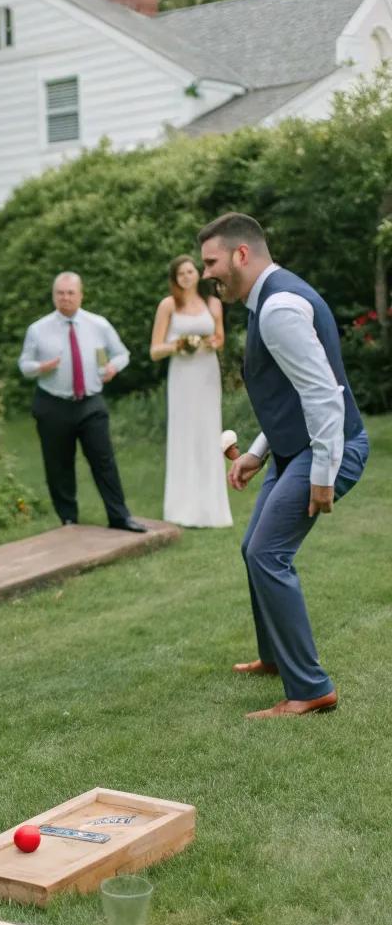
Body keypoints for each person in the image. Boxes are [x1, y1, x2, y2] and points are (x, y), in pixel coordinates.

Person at [199, 213, 369, 718]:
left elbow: (323, 395)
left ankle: (311, 688)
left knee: (269, 554)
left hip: (326, 450)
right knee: (254, 548)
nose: (208, 272)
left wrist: (322, 478)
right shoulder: (266, 301)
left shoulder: (277, 309)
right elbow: (291, 393)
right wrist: (258, 451)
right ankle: (275, 657)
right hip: (298, 447)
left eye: (212, 262)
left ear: (241, 255)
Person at [18, 271, 146, 532]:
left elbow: (123, 354)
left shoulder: (98, 324)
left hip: (90, 403)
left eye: (70, 293)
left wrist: (113, 367)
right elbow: (24, 365)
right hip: (53, 404)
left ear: (80, 295)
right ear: (54, 296)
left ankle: (120, 517)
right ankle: (68, 520)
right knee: (58, 464)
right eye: (60, 293)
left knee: (104, 460)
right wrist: (41, 366)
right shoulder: (38, 329)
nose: (65, 298)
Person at [150, 254, 231, 528]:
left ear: (197, 274)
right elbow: (155, 350)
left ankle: (212, 509)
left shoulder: (213, 303)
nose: (186, 277)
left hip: (207, 373)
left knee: (208, 432)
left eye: (190, 272)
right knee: (184, 433)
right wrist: (180, 345)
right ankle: (182, 509)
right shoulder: (169, 305)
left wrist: (211, 342)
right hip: (183, 375)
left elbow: (220, 339)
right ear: (175, 279)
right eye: (180, 274)